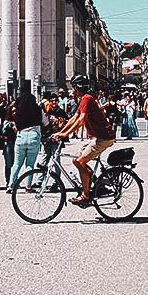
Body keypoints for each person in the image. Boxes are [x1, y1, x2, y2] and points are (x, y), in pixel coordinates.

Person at [52, 75, 116, 205]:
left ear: (76, 88)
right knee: (77, 160)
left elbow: (81, 121)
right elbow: (74, 119)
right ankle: (96, 183)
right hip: (97, 137)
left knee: (80, 162)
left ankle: (86, 196)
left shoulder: (87, 99)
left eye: (73, 88)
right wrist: (61, 131)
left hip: (103, 137)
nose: (72, 91)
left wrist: (65, 134)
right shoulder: (83, 100)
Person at [9, 91, 43, 191]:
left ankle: (11, 185)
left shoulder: (19, 112)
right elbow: (45, 122)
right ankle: (28, 186)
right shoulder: (37, 110)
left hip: (21, 137)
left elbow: (16, 126)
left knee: (17, 163)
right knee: (30, 164)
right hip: (34, 136)